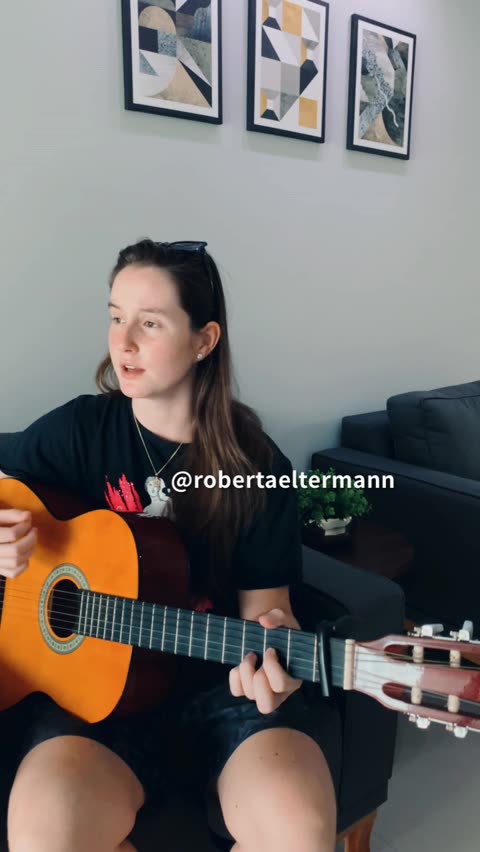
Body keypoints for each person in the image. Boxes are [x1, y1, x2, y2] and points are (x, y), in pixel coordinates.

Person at [0, 239, 339, 852]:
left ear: (204, 341)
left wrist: (277, 652)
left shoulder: (258, 467)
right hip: (92, 695)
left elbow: (269, 608)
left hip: (220, 687)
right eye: (116, 317)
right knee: (45, 836)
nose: (123, 342)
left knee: (298, 832)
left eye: (150, 323)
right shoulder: (79, 430)